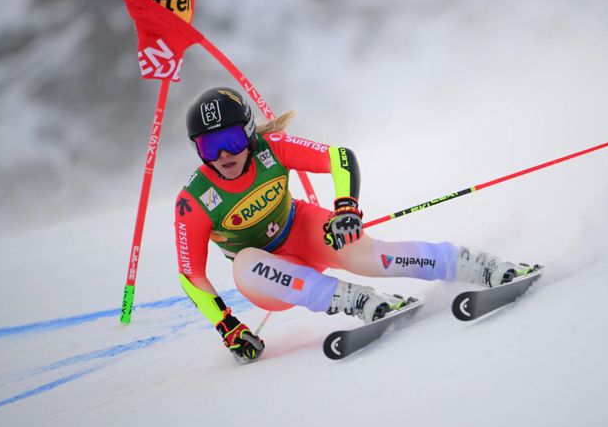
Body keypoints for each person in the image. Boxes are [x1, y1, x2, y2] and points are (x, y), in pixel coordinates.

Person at [175, 87, 538, 363]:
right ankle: (359, 301)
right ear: (198, 150)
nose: (224, 156)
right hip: (269, 279)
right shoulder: (193, 200)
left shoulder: (271, 149)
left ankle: (480, 266)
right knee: (245, 264)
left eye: (232, 141)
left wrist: (346, 207)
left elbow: (339, 157)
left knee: (376, 259)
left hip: (304, 231)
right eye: (210, 146)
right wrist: (227, 326)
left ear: (249, 132)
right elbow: (191, 274)